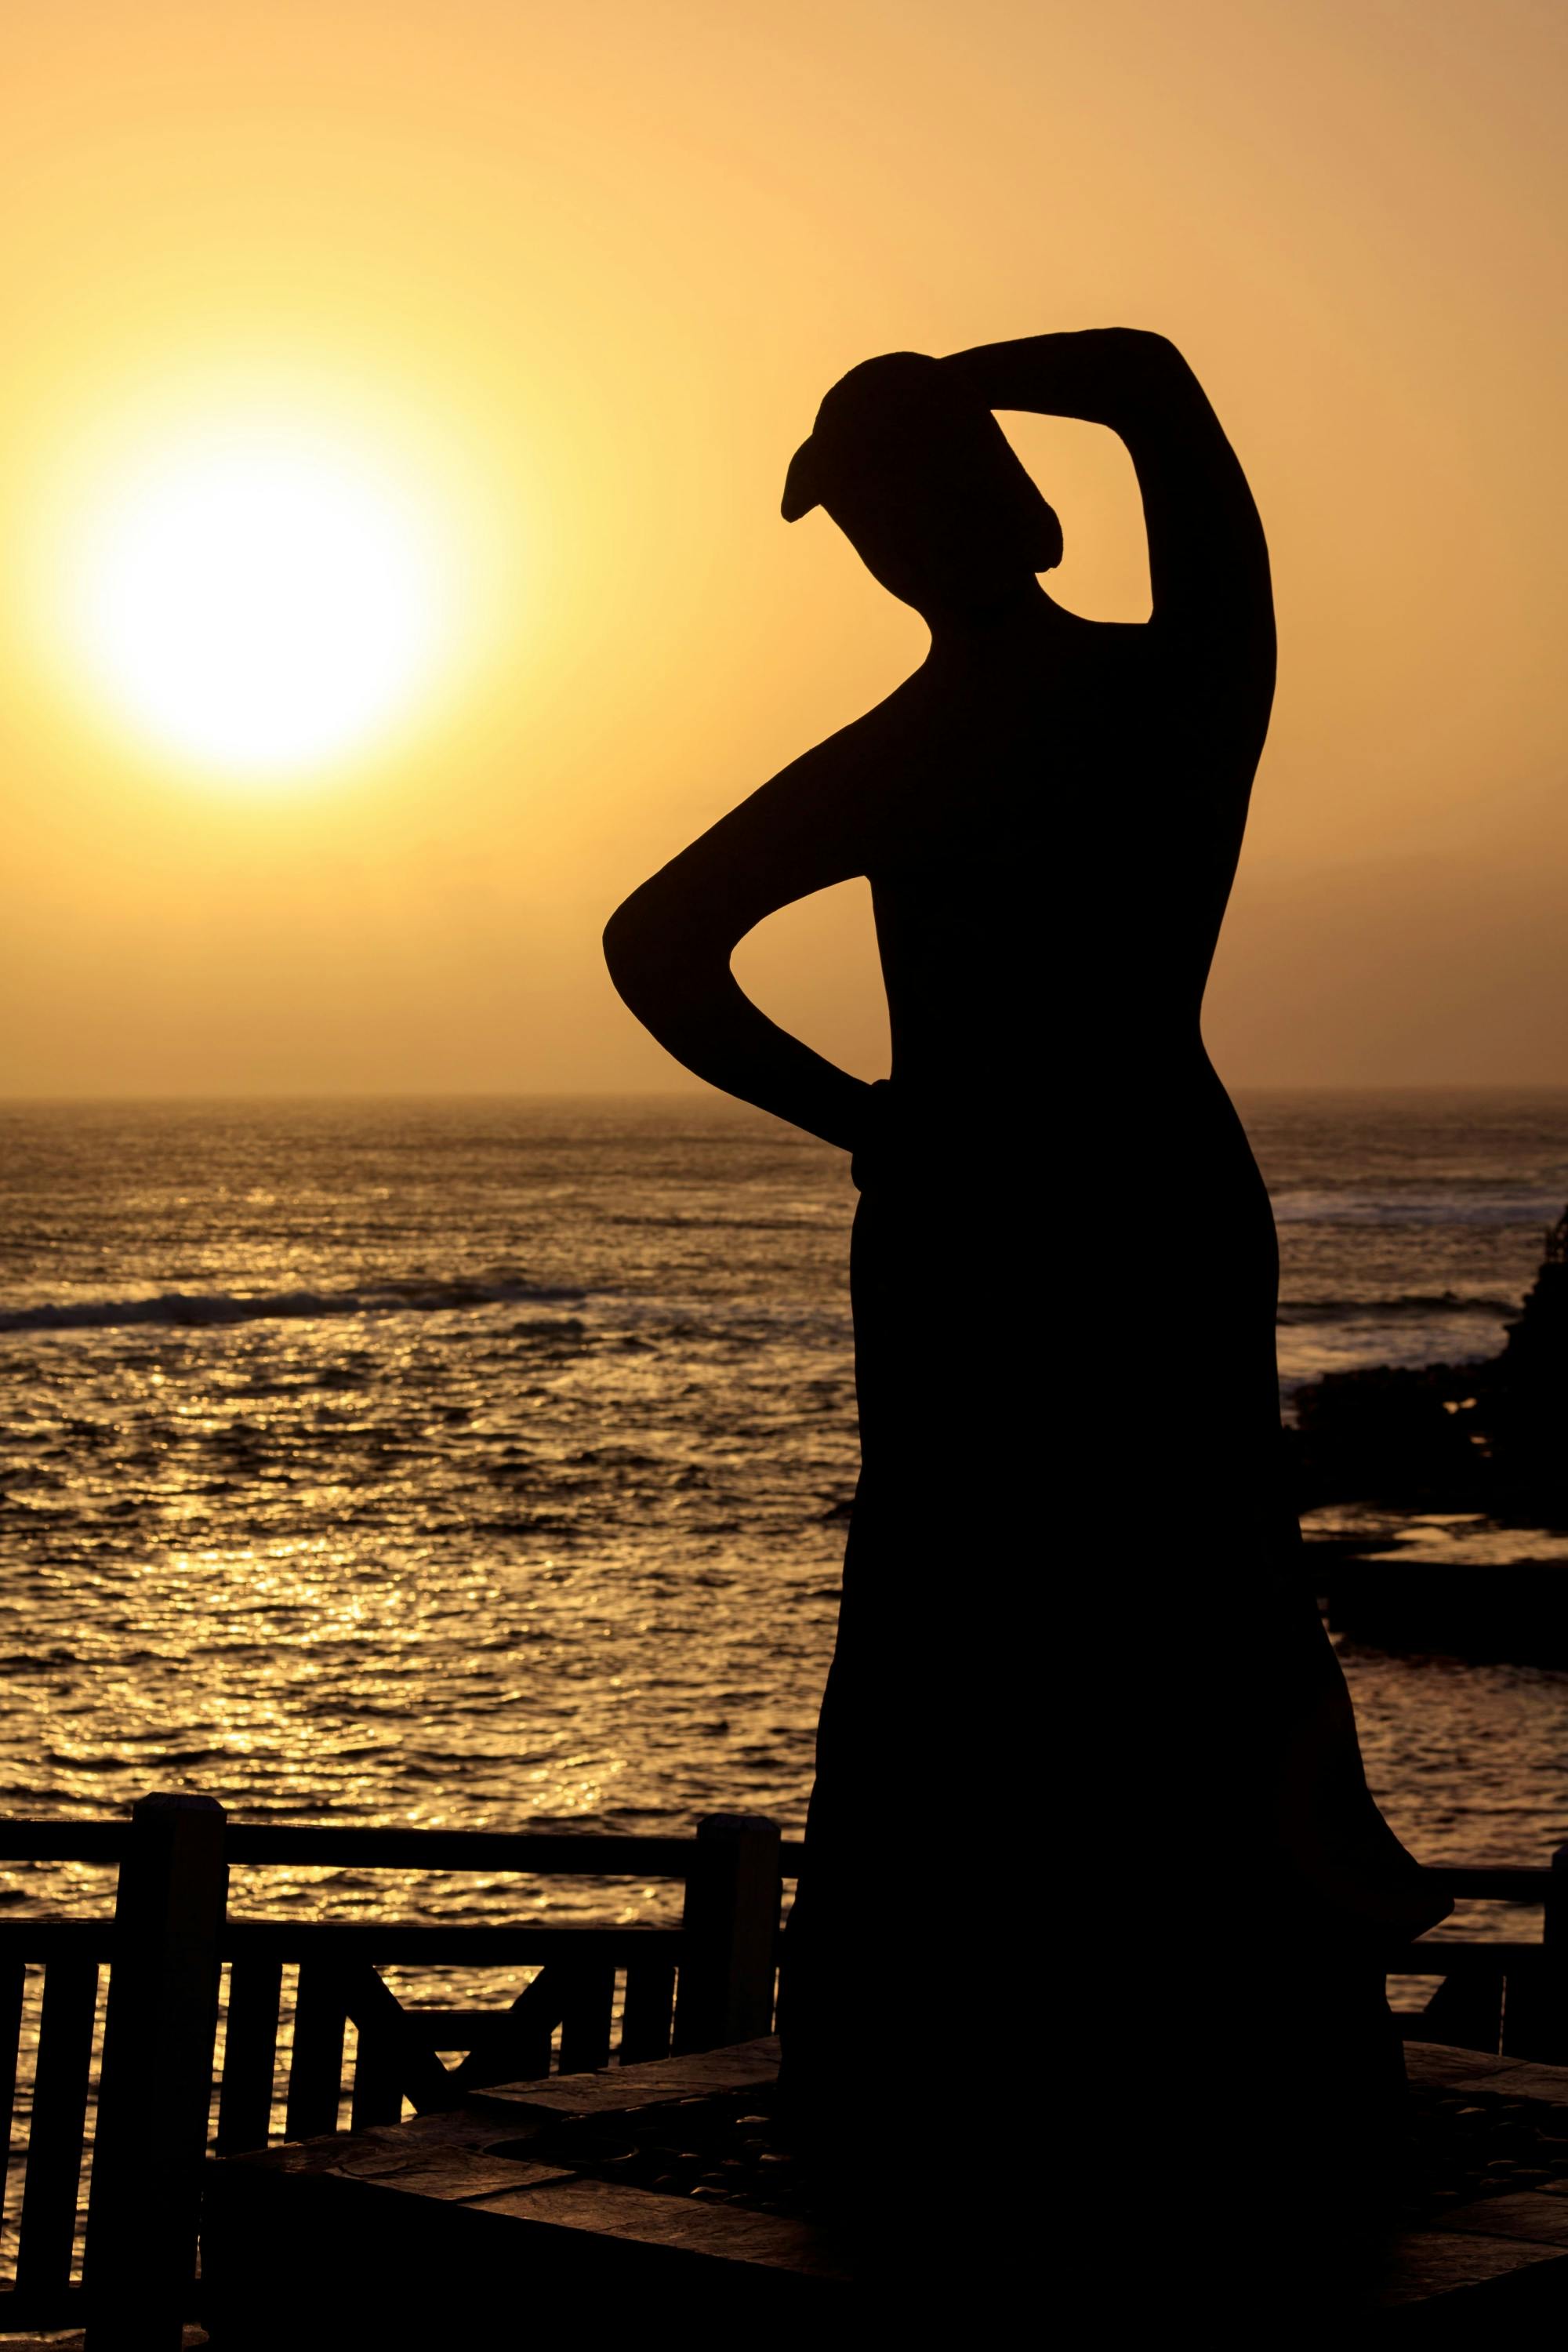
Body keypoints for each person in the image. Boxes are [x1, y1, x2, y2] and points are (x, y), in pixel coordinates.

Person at [604, 330, 1446, 2309]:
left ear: (996, 510)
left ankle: (1051, 2043)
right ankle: (1120, 2038)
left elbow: (656, 944)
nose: (891, 542)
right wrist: (869, 1127)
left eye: (902, 496)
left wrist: (877, 1130)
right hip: (1100, 1193)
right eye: (873, 514)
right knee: (1096, 1600)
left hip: (1014, 1206)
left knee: (1064, 1600)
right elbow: (655, 941)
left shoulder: (1057, 711)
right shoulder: (1142, 694)